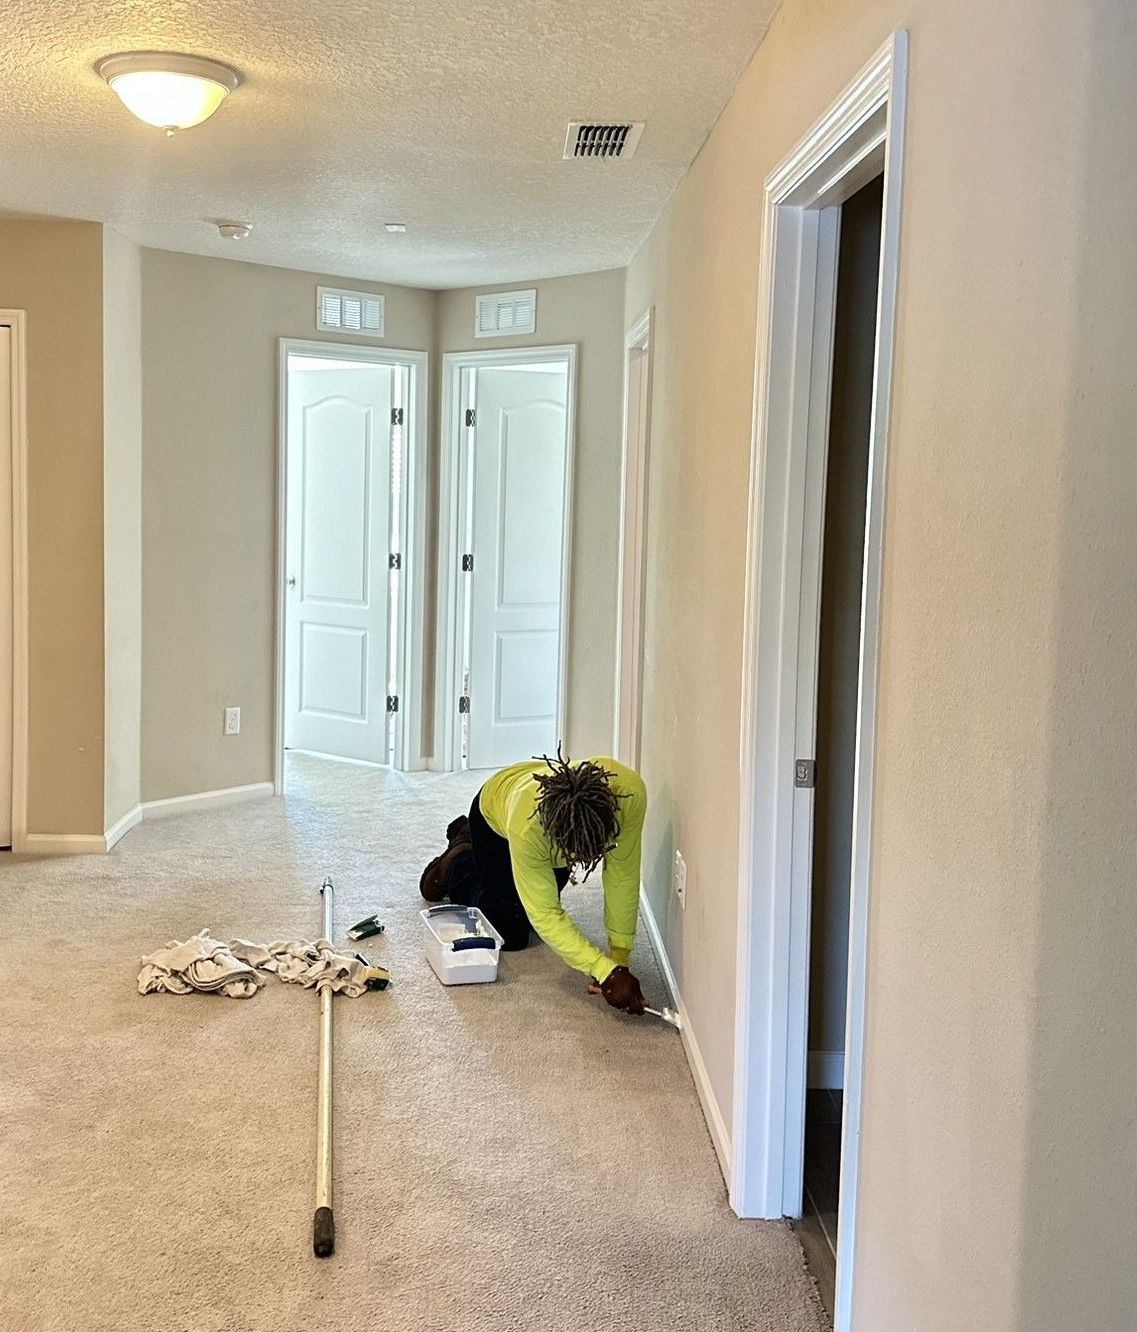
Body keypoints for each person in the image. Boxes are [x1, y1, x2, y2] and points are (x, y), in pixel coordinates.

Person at [420, 750, 648, 1015]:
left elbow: (622, 876)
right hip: (495, 819)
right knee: (510, 932)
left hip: (540, 817)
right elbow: (545, 914)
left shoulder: (629, 795)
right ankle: (458, 860)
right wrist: (603, 970)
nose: (578, 858)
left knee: (535, 907)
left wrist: (619, 958)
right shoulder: (528, 827)